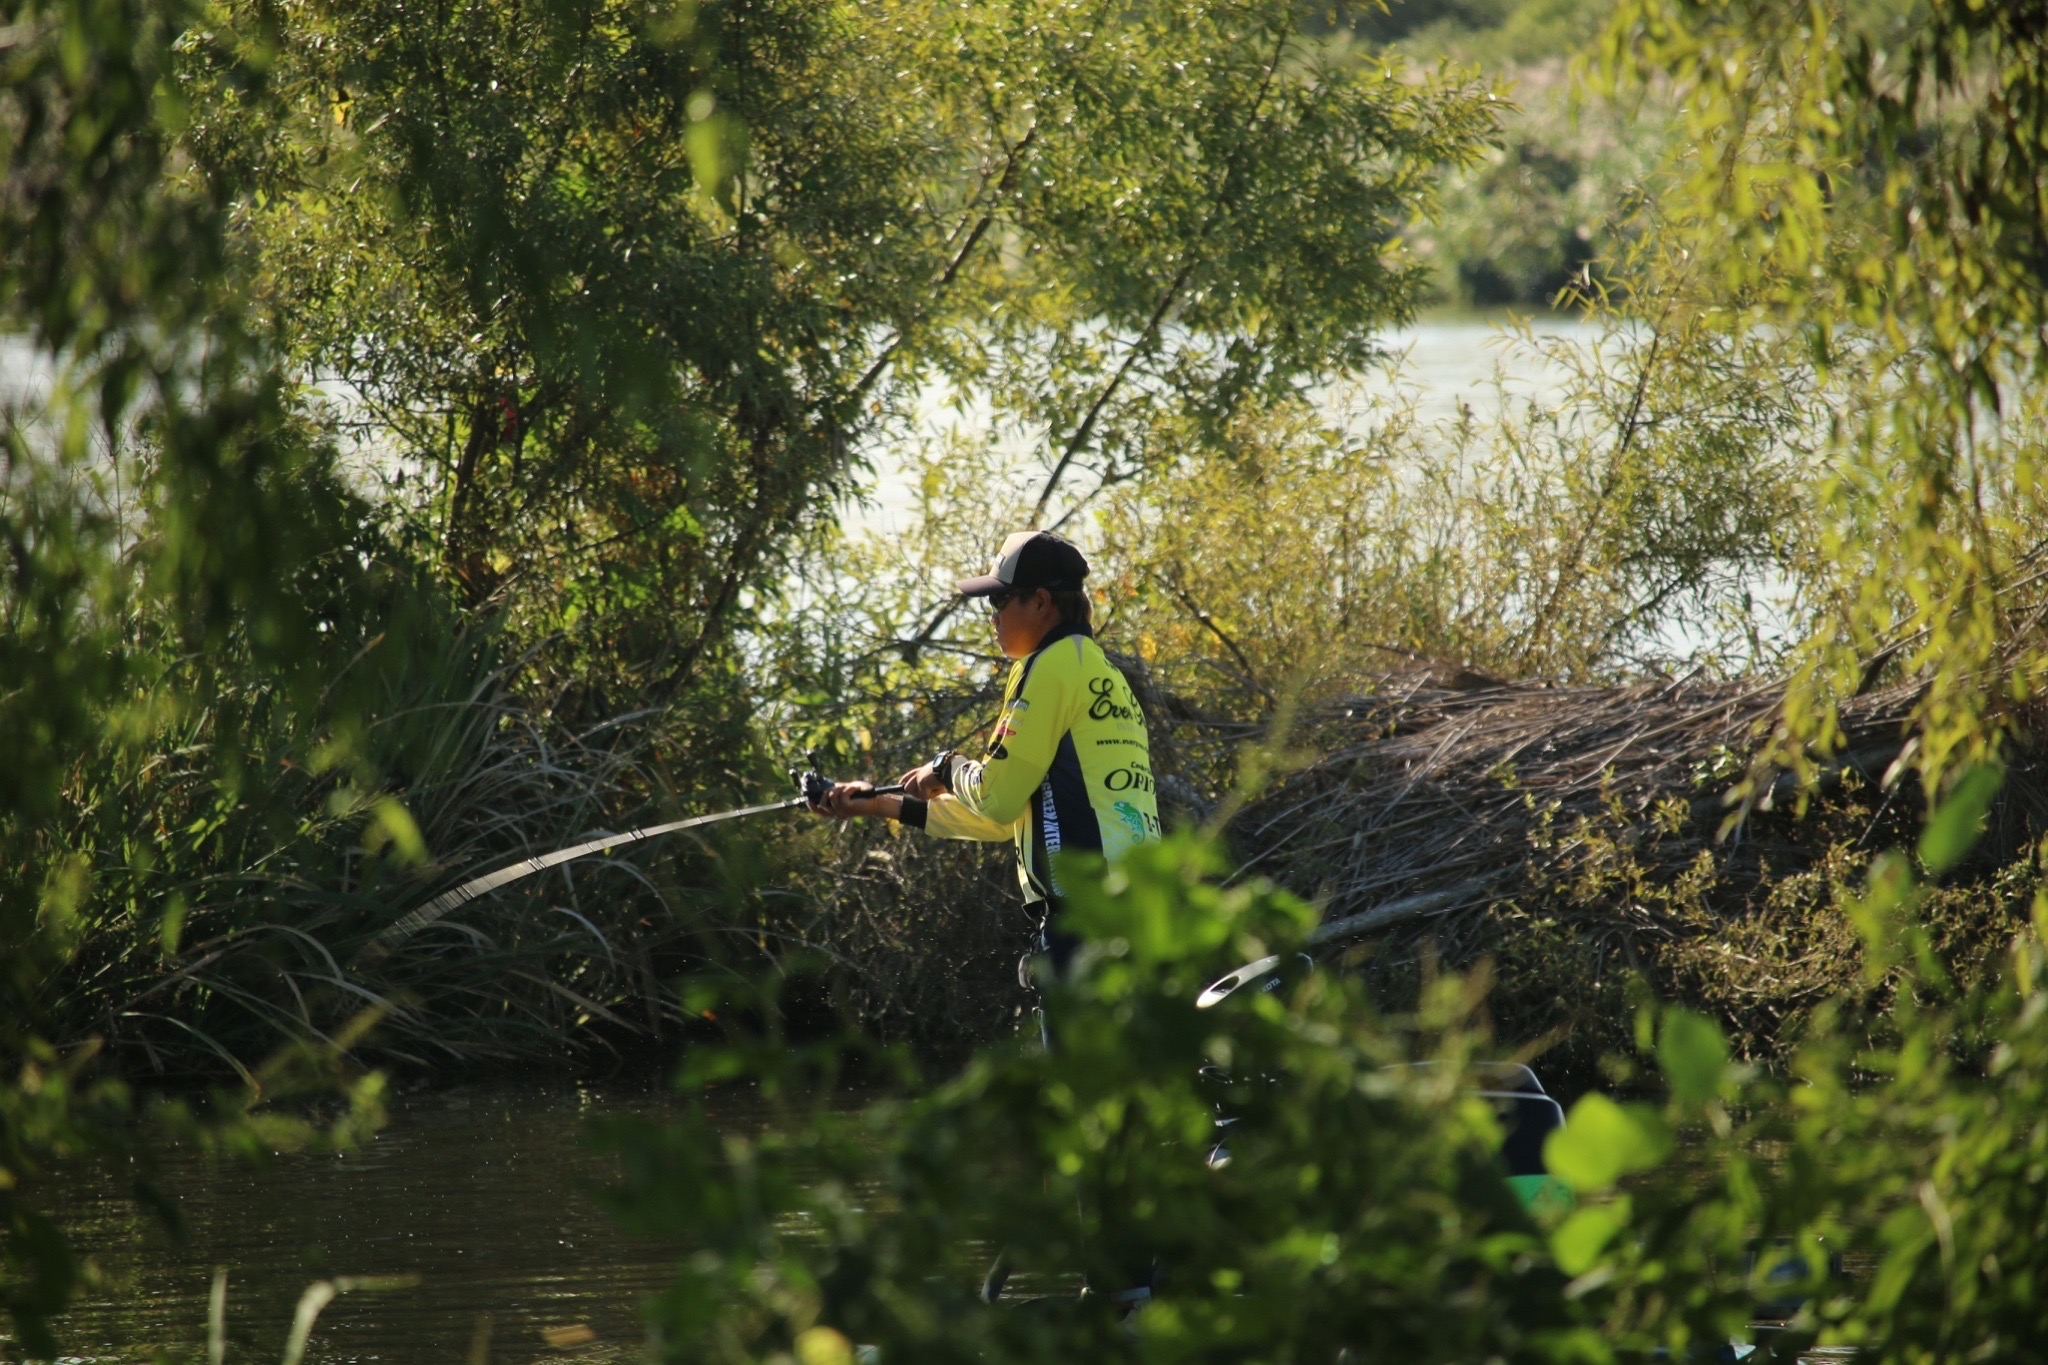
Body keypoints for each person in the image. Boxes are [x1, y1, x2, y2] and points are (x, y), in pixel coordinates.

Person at [811, 528, 1162, 983]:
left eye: (999, 602)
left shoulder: (1047, 665)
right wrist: (882, 805)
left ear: (1040, 602)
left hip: (1089, 919)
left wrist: (946, 767)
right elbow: (1007, 813)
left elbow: (994, 798)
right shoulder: (1100, 670)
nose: (992, 618)